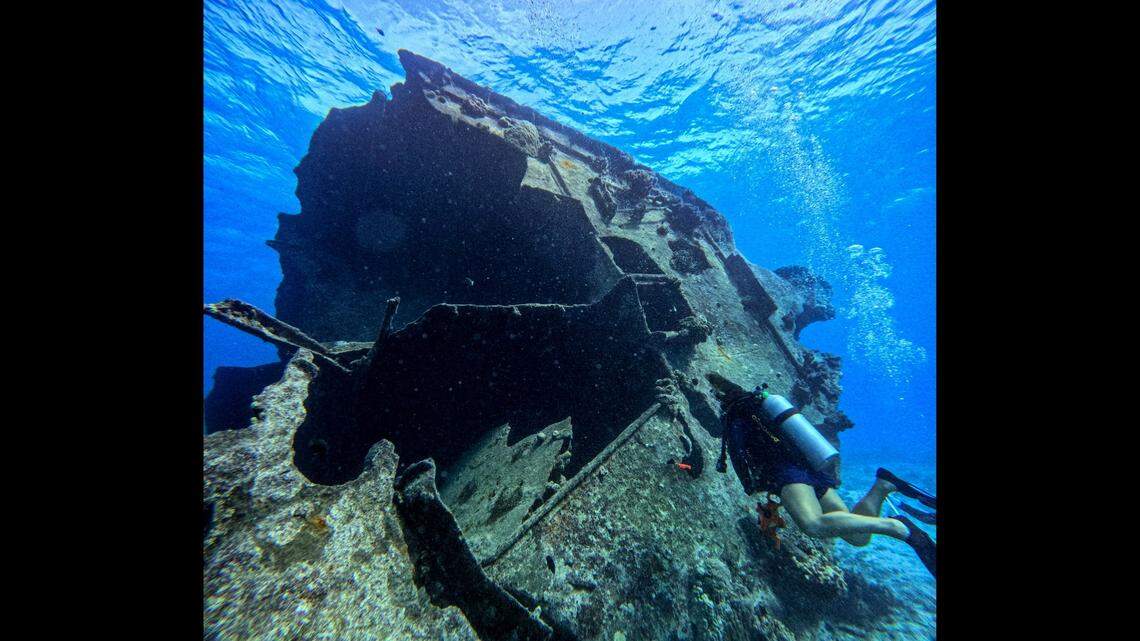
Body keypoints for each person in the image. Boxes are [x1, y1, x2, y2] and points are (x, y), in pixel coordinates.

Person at [707, 372, 936, 577]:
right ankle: (883, 485)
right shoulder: (762, 404)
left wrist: (752, 485)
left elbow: (739, 457)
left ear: (719, 396)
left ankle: (897, 528)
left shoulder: (736, 415)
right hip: (812, 470)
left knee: (813, 524)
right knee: (858, 536)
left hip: (786, 475)